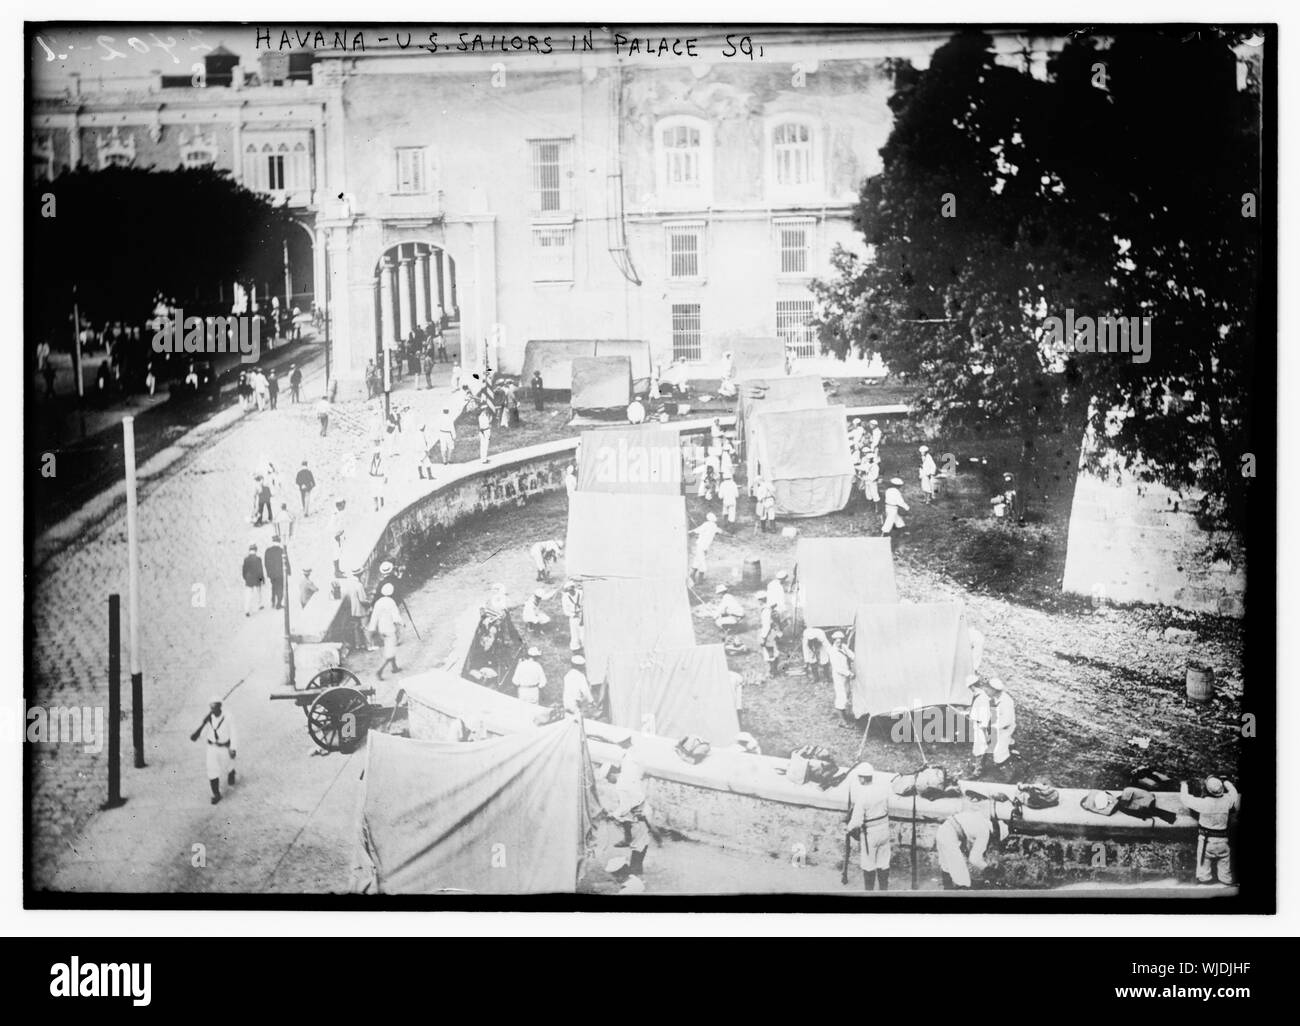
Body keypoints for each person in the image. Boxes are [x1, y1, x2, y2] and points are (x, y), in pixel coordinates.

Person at [1180, 776, 1240, 885]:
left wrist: (1184, 784)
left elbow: (1185, 799)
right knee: (1225, 867)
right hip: (1223, 841)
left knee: (1203, 869)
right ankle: (1226, 880)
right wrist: (1226, 782)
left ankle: (1205, 880)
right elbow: (1234, 794)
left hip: (1206, 841)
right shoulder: (1227, 801)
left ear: (1207, 790)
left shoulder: (1203, 803)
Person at [845, 762, 892, 890]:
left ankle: (869, 893)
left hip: (870, 834)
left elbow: (857, 821)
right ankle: (883, 891)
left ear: (862, 778)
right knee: (883, 862)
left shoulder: (862, 795)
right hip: (884, 830)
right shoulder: (882, 790)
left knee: (868, 864)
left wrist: (847, 828)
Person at [936, 807, 1006, 889]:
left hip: (942, 830)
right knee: (962, 879)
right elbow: (974, 859)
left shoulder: (980, 820)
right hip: (949, 836)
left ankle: (947, 890)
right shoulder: (985, 832)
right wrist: (988, 869)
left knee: (947, 867)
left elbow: (965, 836)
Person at [190, 697, 238, 805]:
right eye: (211, 707)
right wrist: (197, 735)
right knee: (212, 770)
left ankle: (231, 772)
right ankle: (216, 794)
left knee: (229, 764)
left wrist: (233, 748)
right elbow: (204, 731)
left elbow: (233, 733)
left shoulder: (228, 717)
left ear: (220, 706)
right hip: (212, 747)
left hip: (225, 746)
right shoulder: (209, 718)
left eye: (215, 707)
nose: (213, 710)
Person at [368, 582, 402, 679]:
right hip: (390, 628)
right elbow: (396, 617)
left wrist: (372, 629)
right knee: (390, 650)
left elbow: (374, 617)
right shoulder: (391, 602)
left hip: (381, 629)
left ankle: (394, 667)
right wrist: (401, 623)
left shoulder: (378, 602)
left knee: (390, 646)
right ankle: (380, 670)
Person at [338, 569, 371, 652]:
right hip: (361, 610)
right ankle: (369, 645)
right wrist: (369, 604)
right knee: (365, 627)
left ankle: (358, 644)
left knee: (356, 628)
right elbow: (362, 600)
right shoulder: (359, 585)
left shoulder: (350, 584)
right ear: (360, 575)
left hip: (354, 610)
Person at [828, 630, 856, 723]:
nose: (838, 641)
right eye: (836, 640)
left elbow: (851, 654)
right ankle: (842, 720)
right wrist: (849, 673)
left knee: (847, 693)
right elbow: (837, 668)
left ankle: (844, 714)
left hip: (846, 676)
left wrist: (856, 659)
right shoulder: (832, 651)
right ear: (834, 640)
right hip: (839, 676)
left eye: (840, 640)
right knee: (841, 696)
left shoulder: (843, 647)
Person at [690, 512, 720, 585]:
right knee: (702, 564)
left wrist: (691, 531)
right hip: (701, 546)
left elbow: (696, 530)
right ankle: (699, 581)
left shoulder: (709, 525)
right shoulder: (711, 525)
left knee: (698, 561)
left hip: (703, 547)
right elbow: (696, 530)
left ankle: (692, 576)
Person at [759, 598, 781, 678]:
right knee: (774, 651)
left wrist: (763, 637)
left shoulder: (765, 611)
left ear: (761, 600)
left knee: (770, 652)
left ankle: (772, 672)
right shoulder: (769, 609)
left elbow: (766, 625)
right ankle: (775, 670)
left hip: (769, 634)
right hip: (774, 632)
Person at [241, 544, 265, 615]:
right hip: (257, 578)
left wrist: (245, 578)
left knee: (248, 595)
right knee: (258, 592)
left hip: (249, 579)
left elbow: (244, 570)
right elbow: (260, 570)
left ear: (249, 550)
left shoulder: (246, 559)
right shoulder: (258, 559)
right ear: (256, 550)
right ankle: (259, 605)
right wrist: (261, 579)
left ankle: (247, 610)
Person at [561, 579, 584, 651]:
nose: (571, 592)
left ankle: (584, 645)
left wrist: (582, 616)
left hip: (582, 614)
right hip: (573, 616)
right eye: (569, 591)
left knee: (583, 632)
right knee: (574, 633)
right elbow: (565, 611)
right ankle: (575, 647)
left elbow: (585, 605)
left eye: (572, 589)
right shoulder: (565, 597)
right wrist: (573, 615)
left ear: (574, 588)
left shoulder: (581, 593)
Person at [264, 541, 286, 610]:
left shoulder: (268, 551)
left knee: (274, 586)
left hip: (272, 574)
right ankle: (278, 604)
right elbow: (286, 561)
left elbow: (266, 563)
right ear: (279, 542)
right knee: (280, 587)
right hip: (280, 574)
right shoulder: (281, 550)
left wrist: (268, 572)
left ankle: (273, 601)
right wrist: (288, 571)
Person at [476, 398, 494, 463]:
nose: (486, 410)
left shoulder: (481, 415)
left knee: (483, 445)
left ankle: (484, 458)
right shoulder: (483, 416)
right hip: (485, 431)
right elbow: (486, 424)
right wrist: (490, 421)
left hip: (483, 431)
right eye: (485, 409)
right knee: (485, 445)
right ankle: (484, 459)